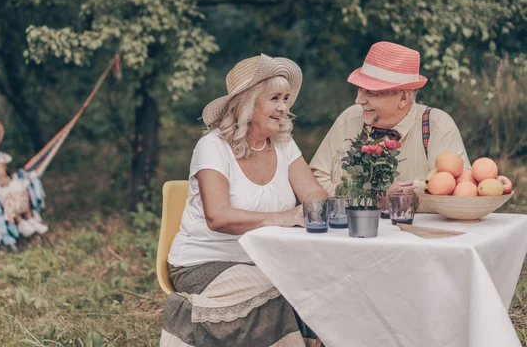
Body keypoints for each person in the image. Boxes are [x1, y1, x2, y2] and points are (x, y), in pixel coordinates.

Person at [160, 54, 327, 347]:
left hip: (267, 260)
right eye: (274, 98)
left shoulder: (284, 144)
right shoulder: (213, 146)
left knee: (320, 287)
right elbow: (218, 217)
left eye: (286, 98)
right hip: (205, 263)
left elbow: (314, 195)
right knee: (281, 293)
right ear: (248, 103)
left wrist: (313, 205)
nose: (284, 107)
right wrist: (284, 217)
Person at [309, 41, 470, 196]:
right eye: (360, 89)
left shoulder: (437, 126)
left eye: (371, 93)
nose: (358, 100)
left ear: (403, 98)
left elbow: (461, 187)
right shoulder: (350, 118)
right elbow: (315, 180)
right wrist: (364, 199)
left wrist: (416, 193)